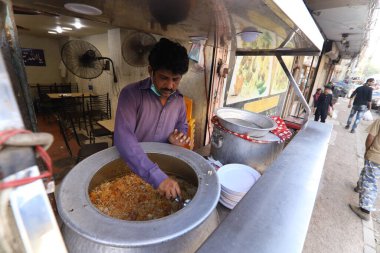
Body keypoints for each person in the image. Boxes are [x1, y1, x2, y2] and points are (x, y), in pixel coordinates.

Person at [114, 38, 191, 200]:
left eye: (175, 79)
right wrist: (157, 177)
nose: (170, 86)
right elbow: (123, 138)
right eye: (164, 78)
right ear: (150, 71)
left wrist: (178, 137)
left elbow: (182, 125)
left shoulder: (178, 100)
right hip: (135, 168)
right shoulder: (131, 95)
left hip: (164, 171)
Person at [349, 119, 380, 221]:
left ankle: (365, 210)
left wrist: (367, 151)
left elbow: (370, 137)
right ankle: (360, 186)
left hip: (375, 157)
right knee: (366, 174)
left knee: (370, 182)